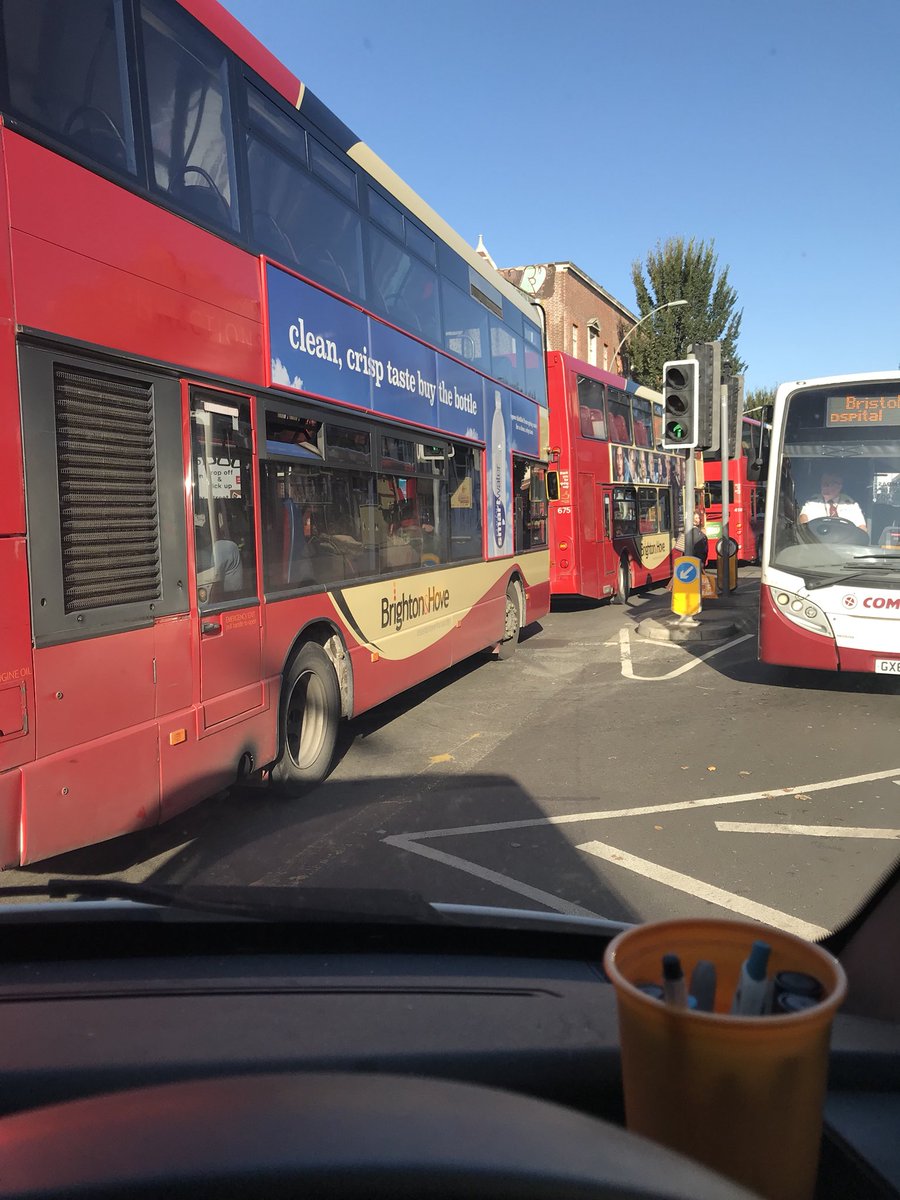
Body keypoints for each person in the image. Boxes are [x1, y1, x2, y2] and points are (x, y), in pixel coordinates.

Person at [799, 472, 867, 532]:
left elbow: (862, 528)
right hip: (816, 542)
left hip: (846, 544)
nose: (825, 487)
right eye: (823, 483)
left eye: (830, 484)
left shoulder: (851, 504)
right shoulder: (813, 502)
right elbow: (803, 519)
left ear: (839, 486)